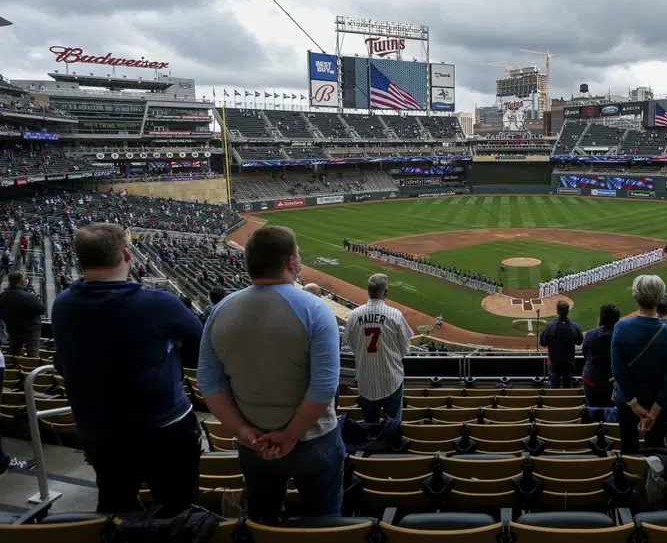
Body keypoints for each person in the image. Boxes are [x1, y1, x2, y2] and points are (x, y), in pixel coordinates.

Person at [52, 223, 203, 515]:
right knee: (179, 512)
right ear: (126, 254)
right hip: (164, 428)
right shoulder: (158, 303)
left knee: (114, 507)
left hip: (99, 431)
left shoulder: (63, 304)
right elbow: (200, 350)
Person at [198, 225, 343, 521]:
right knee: (324, 522)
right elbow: (324, 385)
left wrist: (242, 430)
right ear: (291, 262)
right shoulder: (316, 309)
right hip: (314, 441)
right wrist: (290, 436)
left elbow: (209, 382)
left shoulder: (221, 309)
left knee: (263, 521)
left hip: (255, 443)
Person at [611, 275, 667, 453]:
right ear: (660, 298)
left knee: (628, 447)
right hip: (659, 403)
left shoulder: (621, 327)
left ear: (635, 296)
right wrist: (654, 412)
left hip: (628, 402)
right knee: (656, 450)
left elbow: (618, 371)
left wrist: (634, 404)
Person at [343, 273, 413, 423]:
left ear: (368, 291)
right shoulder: (395, 315)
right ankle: (392, 443)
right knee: (393, 423)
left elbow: (348, 342)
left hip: (365, 381)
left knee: (370, 423)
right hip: (391, 380)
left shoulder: (354, 315)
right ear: (386, 292)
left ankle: (372, 443)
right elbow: (405, 350)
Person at [0, 272, 46, 359]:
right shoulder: (28, 296)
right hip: (31, 330)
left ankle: (14, 370)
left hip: (13, 329)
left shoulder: (2, 296)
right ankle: (31, 370)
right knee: (32, 354)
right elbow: (42, 310)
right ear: (21, 282)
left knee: (14, 353)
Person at [581, 304, 619, 408]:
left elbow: (584, 353)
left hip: (592, 381)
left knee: (592, 410)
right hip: (612, 382)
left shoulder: (591, 334)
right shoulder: (620, 335)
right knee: (610, 411)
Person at [539, 300, 583, 388]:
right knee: (568, 385)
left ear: (557, 311)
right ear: (568, 311)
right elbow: (579, 342)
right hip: (569, 362)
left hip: (554, 362)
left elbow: (542, 343)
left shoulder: (550, 326)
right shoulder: (574, 326)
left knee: (554, 386)